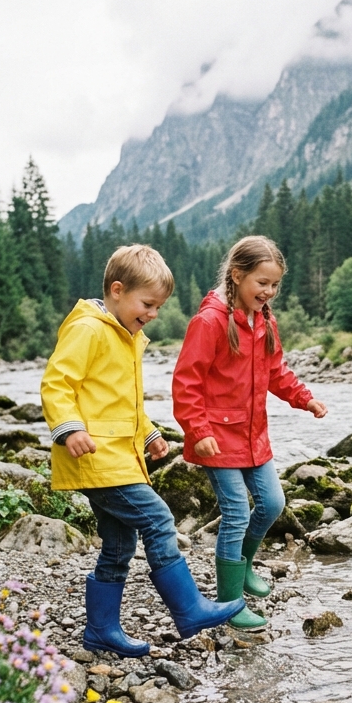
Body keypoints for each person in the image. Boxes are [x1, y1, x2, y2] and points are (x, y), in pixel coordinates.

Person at [41, 244, 245, 658]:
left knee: (118, 546)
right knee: (158, 519)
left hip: (119, 456)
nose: (153, 314)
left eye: (158, 307)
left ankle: (101, 631)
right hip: (97, 457)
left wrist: (148, 433)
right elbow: (57, 383)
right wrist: (68, 429)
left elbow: (120, 402)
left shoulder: (125, 334)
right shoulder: (89, 329)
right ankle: (189, 609)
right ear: (117, 291)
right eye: (147, 304)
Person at [172, 235, 328, 630]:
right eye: (262, 283)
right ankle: (229, 603)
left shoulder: (265, 320)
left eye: (275, 284)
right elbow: (186, 382)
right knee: (237, 512)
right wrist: (198, 429)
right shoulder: (209, 321)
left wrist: (304, 398)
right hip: (215, 437)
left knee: (273, 504)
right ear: (237, 275)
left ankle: (241, 567)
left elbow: (277, 372)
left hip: (253, 434)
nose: (269, 291)